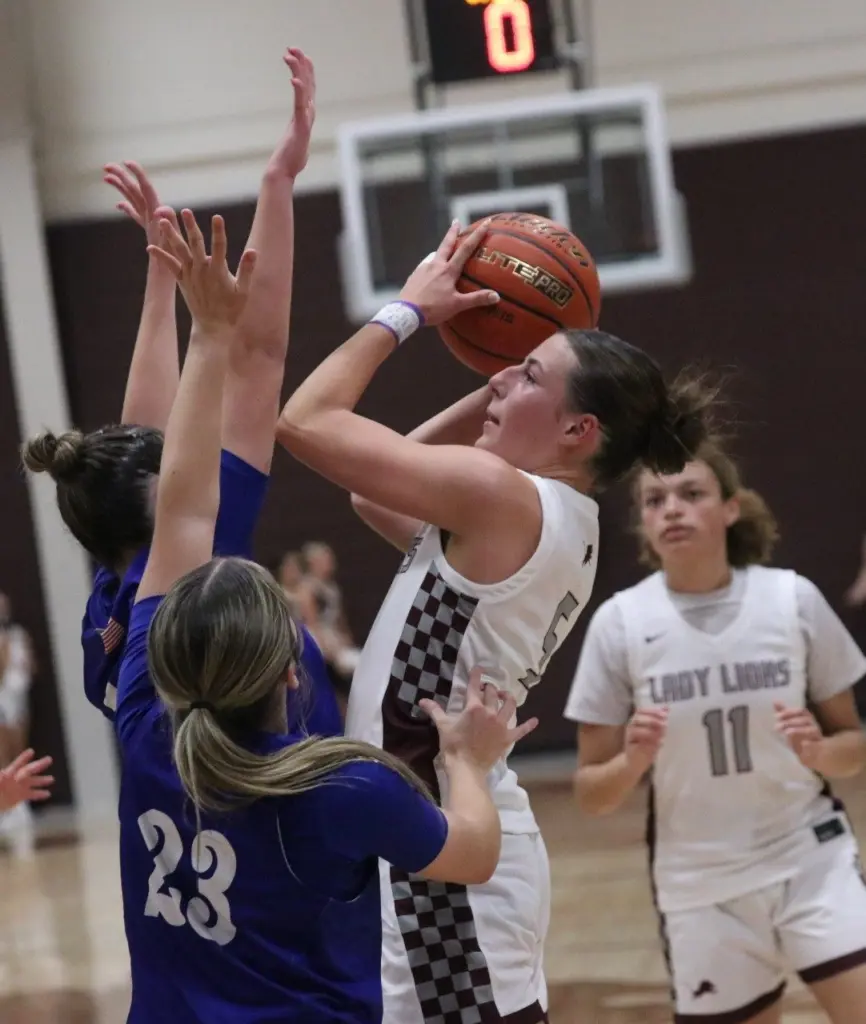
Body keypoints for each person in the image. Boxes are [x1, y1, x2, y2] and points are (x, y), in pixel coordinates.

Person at [276, 221, 715, 1023]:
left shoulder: (504, 498)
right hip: (445, 835)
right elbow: (370, 494)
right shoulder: (551, 514)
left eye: (529, 376)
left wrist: (409, 311)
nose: (504, 379)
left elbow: (306, 421)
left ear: (579, 431)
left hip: (446, 849)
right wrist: (502, 381)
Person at [120, 204, 534, 1023]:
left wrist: (209, 339)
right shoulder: (342, 785)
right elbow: (475, 853)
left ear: (165, 652)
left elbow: (183, 514)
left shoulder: (141, 722)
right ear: (289, 671)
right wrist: (469, 760)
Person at [21, 49, 339, 738]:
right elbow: (258, 356)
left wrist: (163, 275)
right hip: (287, 802)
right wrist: (279, 180)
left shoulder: (112, 597)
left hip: (175, 809)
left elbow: (145, 431)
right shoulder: (203, 556)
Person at [566, 442, 866, 1024]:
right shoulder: (620, 623)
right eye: (655, 500)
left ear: (730, 508)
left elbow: (853, 748)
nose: (672, 509)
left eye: (691, 493)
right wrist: (631, 762)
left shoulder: (793, 599)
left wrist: (819, 750)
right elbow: (591, 793)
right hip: (699, 885)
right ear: (644, 522)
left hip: (809, 859)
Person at [0, 593, 37, 855]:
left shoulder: (18, 634)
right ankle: (8, 806)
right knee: (5, 750)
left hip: (19, 695)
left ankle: (21, 804)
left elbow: (30, 663)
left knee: (20, 749)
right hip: (4, 696)